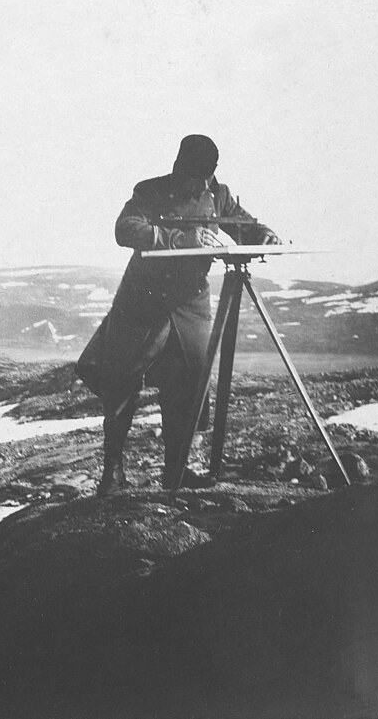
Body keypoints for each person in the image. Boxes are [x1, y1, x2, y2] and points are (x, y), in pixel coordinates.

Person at [77, 134, 280, 495]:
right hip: (143, 300)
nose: (201, 184)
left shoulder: (218, 193)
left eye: (207, 176)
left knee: (189, 384)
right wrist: (179, 240)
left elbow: (243, 223)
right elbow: (126, 229)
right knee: (123, 382)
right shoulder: (150, 191)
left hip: (190, 303)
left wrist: (264, 234)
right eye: (195, 176)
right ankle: (113, 474)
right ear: (179, 167)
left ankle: (176, 472)